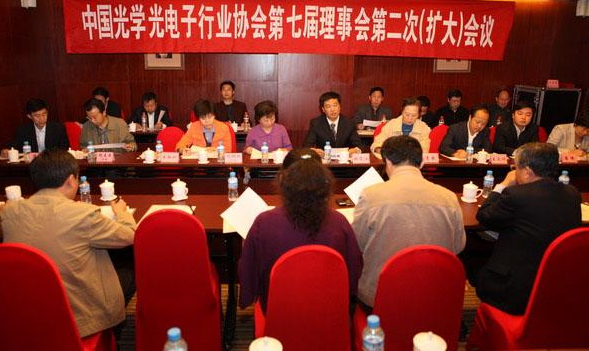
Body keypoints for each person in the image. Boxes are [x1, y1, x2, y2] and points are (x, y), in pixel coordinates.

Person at [0, 149, 136, 338]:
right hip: (78, 318)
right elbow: (130, 235)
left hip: (27, 312)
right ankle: (112, 333)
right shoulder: (82, 214)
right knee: (130, 266)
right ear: (71, 180)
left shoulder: (10, 212)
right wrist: (122, 213)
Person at [238, 148, 362, 312]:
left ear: (282, 180)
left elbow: (249, 269)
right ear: (325, 182)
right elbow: (354, 269)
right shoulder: (339, 222)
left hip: (278, 309)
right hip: (329, 309)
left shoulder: (265, 222)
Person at [352, 136, 465, 309]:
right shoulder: (449, 197)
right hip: (435, 296)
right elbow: (458, 246)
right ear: (421, 163)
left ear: (388, 162)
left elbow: (357, 244)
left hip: (381, 298)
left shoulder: (370, 195)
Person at [475, 142, 581, 314]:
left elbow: (484, 216)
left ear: (527, 171)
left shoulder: (516, 195)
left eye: (516, 167)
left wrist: (503, 184)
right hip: (554, 285)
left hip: (514, 292)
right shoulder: (572, 194)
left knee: (473, 255)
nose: (514, 171)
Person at [304, 91, 362, 156]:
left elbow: (359, 146)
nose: (332, 109)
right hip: (324, 160)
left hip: (344, 159)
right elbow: (307, 146)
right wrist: (315, 152)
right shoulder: (316, 123)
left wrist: (355, 150)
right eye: (328, 106)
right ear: (323, 109)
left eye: (335, 105)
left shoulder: (349, 123)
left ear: (340, 106)